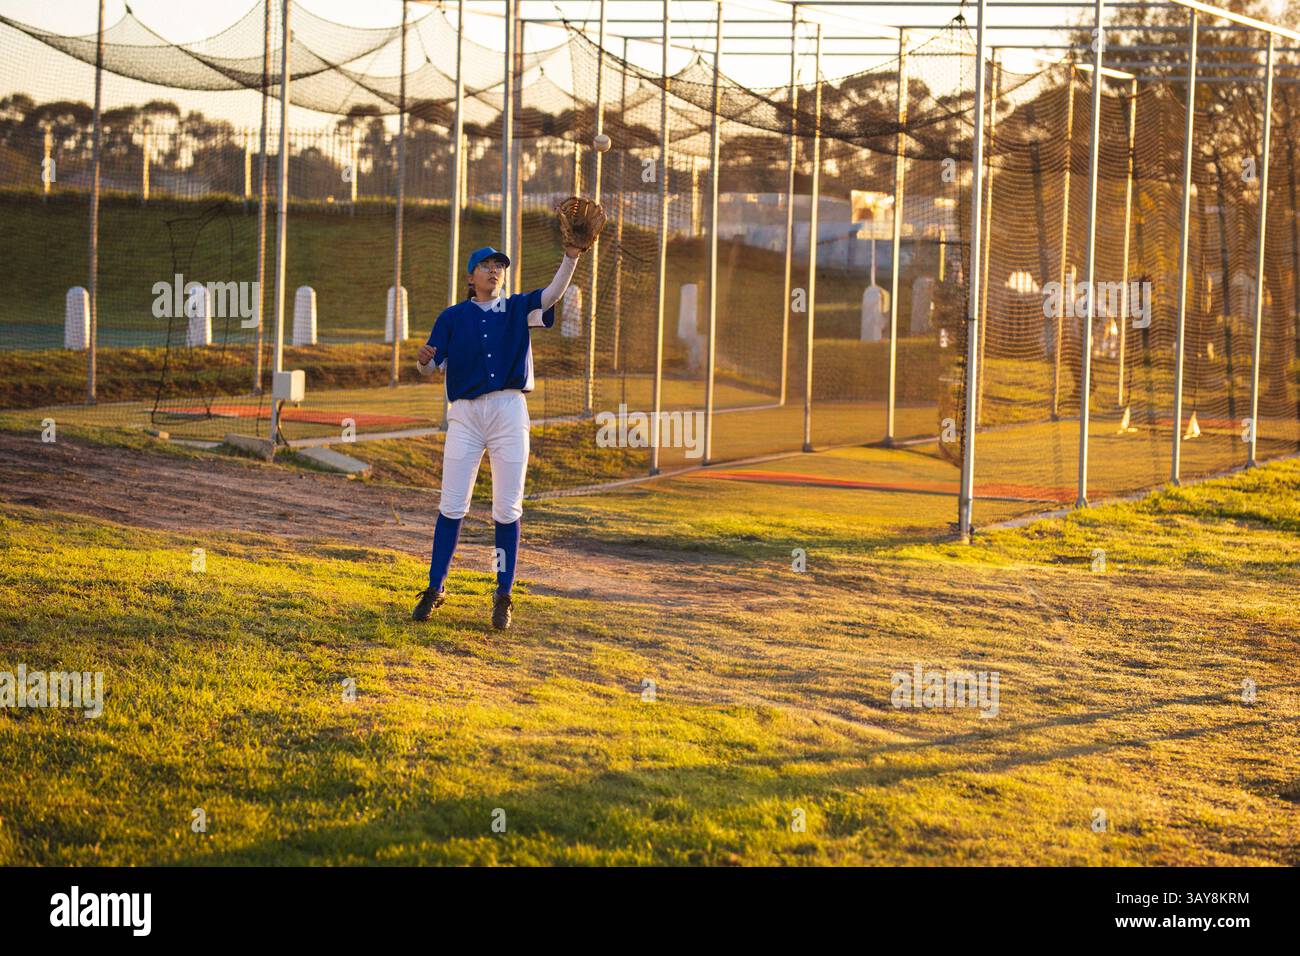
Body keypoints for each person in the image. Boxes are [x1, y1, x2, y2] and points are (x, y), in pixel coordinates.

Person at [412, 242, 582, 630]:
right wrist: (422, 363)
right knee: (452, 504)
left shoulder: (517, 308)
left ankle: (503, 595)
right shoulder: (452, 317)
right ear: (471, 278)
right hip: (466, 415)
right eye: (486, 265)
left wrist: (570, 257)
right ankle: (435, 588)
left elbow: (553, 294)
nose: (494, 271)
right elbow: (430, 367)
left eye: (499, 266)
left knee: (507, 509)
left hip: (508, 411)